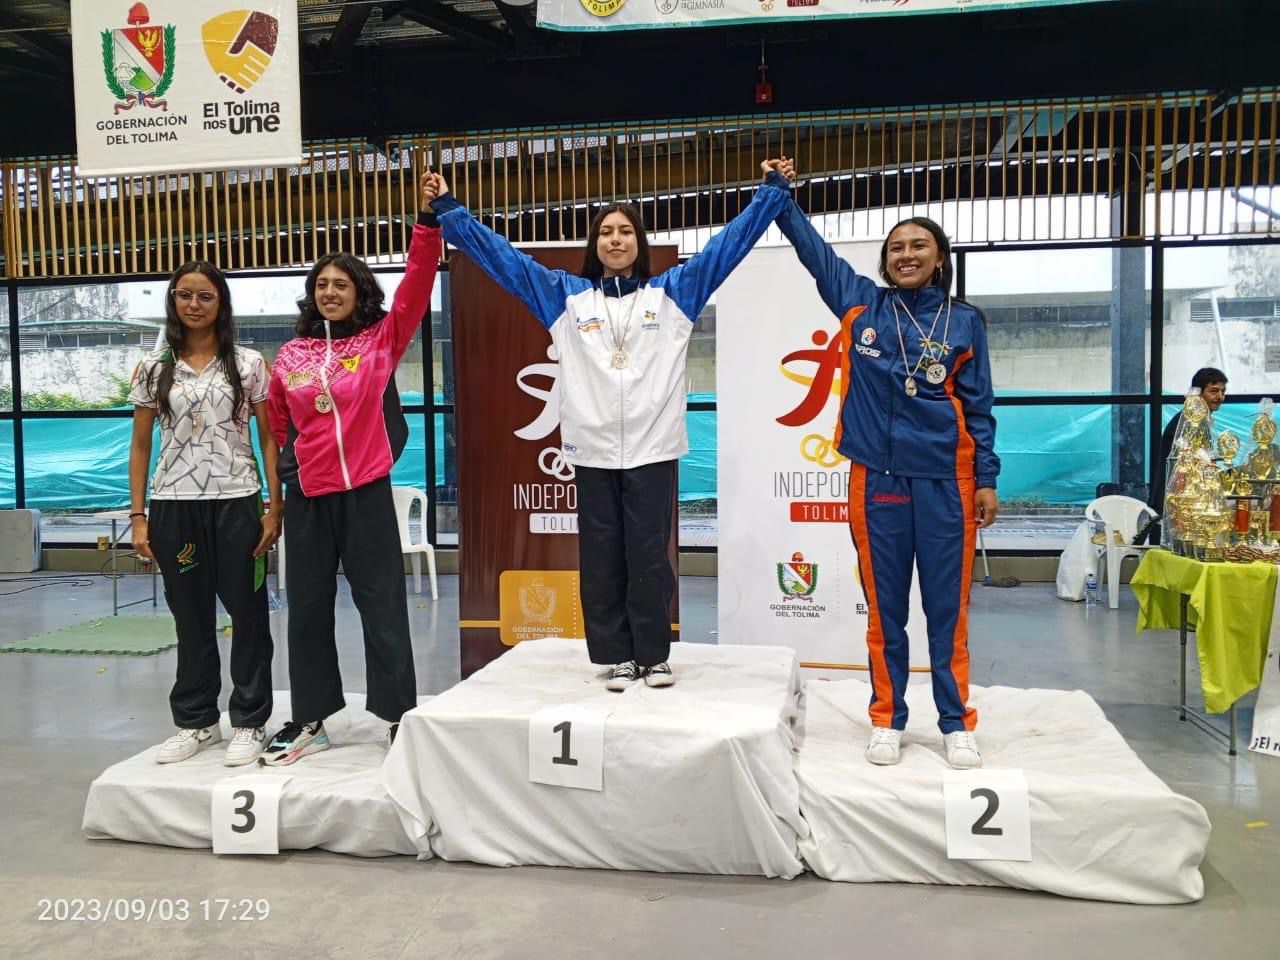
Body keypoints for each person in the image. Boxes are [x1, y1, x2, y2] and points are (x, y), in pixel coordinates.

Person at [425, 161, 792, 691]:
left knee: (649, 557)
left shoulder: (673, 294)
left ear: (639, 243)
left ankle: (654, 656)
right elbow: (504, 261)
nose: (615, 239)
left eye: (624, 231)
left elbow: (725, 249)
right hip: (592, 450)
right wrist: (450, 211)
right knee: (601, 558)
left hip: (653, 449)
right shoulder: (566, 298)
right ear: (594, 245)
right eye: (605, 232)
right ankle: (618, 656)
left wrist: (771, 194)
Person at [773, 159, 998, 769]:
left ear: (939, 258)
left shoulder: (964, 322)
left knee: (948, 612)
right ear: (884, 261)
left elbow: (979, 407)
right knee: (885, 610)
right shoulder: (862, 306)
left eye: (919, 245)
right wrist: (782, 198)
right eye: (896, 247)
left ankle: (955, 722)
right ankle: (887, 717)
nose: (906, 254)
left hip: (948, 481)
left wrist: (986, 479)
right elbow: (815, 255)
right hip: (877, 479)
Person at [261, 171, 442, 766]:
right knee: (307, 610)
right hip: (309, 499)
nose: (329, 292)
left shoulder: (379, 342)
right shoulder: (291, 354)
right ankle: (310, 719)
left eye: (341, 284)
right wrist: (288, 475)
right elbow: (281, 422)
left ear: (359, 292)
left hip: (365, 493)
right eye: (321, 284)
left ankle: (397, 716)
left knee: (382, 608)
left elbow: (416, 288)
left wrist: (426, 223)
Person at [128, 261, 281, 767]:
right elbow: (141, 445)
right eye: (185, 294)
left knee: (248, 615)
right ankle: (196, 721)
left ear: (221, 303)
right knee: (190, 617)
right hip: (174, 507)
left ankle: (250, 720)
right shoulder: (154, 367)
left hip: (237, 503)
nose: (194, 304)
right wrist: (139, 516)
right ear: (173, 300)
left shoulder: (248, 363)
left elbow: (269, 439)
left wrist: (274, 505)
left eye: (205, 296)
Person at [1150, 367, 1228, 543]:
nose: (1220, 397)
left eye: (1223, 392)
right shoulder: (1188, 422)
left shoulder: (1200, 421)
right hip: (1178, 500)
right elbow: (1184, 465)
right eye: (1214, 391)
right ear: (1198, 393)